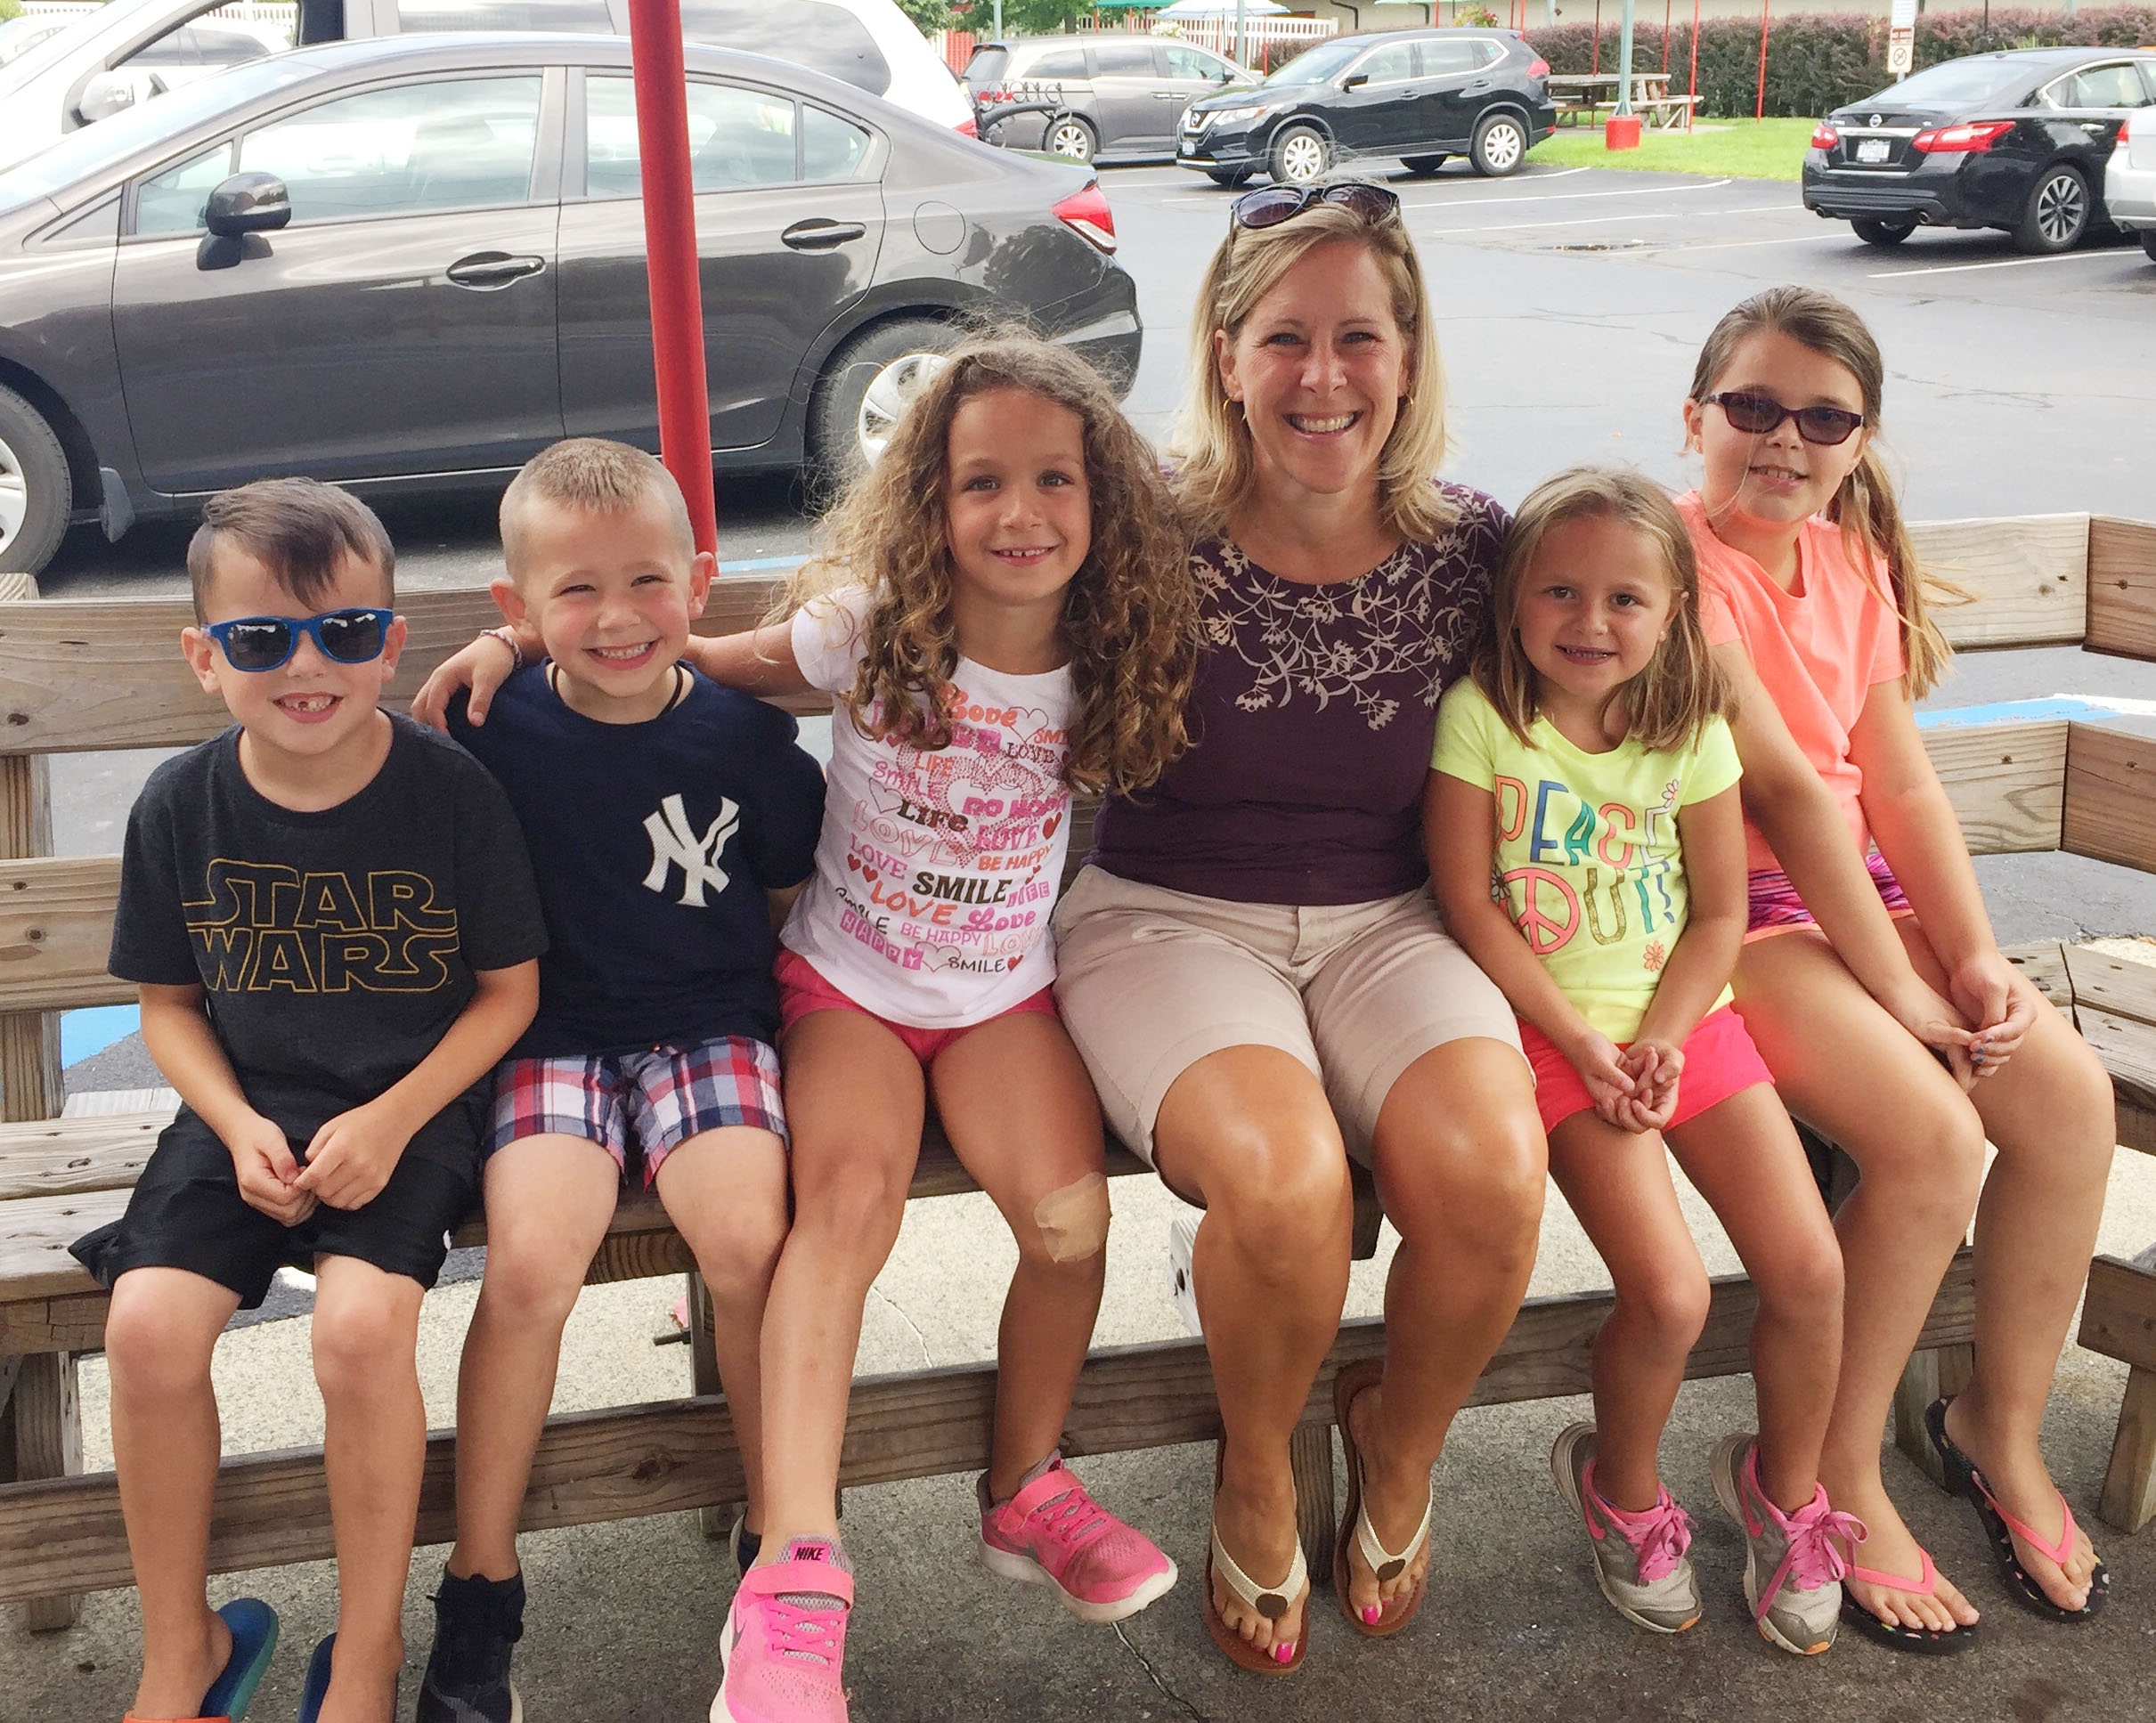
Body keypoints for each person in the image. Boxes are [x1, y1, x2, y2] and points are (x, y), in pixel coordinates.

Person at [416, 335, 1197, 1723]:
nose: (1018, 514)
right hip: (845, 987)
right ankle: (792, 1573)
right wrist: (521, 634)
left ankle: (1024, 1489)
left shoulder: (1112, 647)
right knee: (837, 1212)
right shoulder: (869, 629)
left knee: (1073, 1225)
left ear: (1103, 496)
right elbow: (675, 655)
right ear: (928, 501)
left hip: (1002, 994)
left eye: (1053, 479)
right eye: (980, 483)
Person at [1048, 182, 1545, 1672]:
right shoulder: (1139, 528)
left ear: (1407, 354)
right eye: (1283, 339)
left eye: (1356, 338)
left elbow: (1632, 666)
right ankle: (1254, 1461)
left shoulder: (1475, 543)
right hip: (1165, 916)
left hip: (1393, 913)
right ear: (1222, 354)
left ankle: (1396, 1438)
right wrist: (577, 642)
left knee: (1489, 1171)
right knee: (1282, 1183)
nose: (1321, 377)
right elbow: (908, 610)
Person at [1678, 285, 2116, 1650]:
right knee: (1929, 1140)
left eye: (1821, 417)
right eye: (1750, 406)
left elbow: (1896, 787)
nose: (1782, 439)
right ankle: (1822, 1469)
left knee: (2064, 1104)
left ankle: (1994, 1421)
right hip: (1720, 914)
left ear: (1858, 442)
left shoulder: (1849, 562)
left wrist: (1973, 958)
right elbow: (1788, 816)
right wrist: (1902, 991)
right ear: (1693, 415)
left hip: (1848, 900)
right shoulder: (1673, 563)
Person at [71, 480, 545, 1723]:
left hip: (410, 1110)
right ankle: (183, 1648)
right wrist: (232, 1127)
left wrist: (391, 1119)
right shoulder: (184, 802)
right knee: (147, 1332)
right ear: (203, 657)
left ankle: (371, 1648)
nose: (304, 666)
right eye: (259, 638)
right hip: (239, 1109)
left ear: (388, 639)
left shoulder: (450, 795)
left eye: (341, 633)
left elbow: (506, 995)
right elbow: (169, 1006)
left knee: (358, 1334)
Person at [408, 440, 826, 1723]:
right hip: (550, 1034)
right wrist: (500, 663)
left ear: (698, 584)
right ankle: (482, 1588)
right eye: (573, 592)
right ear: (518, 611)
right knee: (532, 1260)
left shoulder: (747, 740)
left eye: (645, 581)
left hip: (707, 1025)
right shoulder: (491, 725)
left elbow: (781, 888)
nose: (615, 616)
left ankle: (779, 1568)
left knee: (749, 1237)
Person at [1428, 467, 1855, 1654]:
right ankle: (1621, 1495)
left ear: (1672, 612)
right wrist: (1582, 1043)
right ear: (1515, 599)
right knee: (1666, 1294)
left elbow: (1719, 912)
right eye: (1559, 591)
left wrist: (1663, 1035)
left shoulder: (1688, 729)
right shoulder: (1483, 720)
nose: (1589, 622)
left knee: (1810, 1272)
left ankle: (1787, 1498)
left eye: (1624, 598)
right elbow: (1468, 902)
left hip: (1684, 1027)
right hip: (1551, 1040)